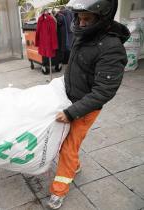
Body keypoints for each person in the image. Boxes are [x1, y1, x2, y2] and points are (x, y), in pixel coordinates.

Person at [47, 0, 130, 209]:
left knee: (67, 147)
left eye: (87, 19)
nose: (81, 23)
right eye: (79, 18)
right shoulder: (84, 35)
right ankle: (73, 166)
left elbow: (104, 90)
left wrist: (71, 112)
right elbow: (76, 66)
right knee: (67, 143)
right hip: (71, 98)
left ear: (102, 17)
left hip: (85, 107)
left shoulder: (111, 48)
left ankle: (59, 191)